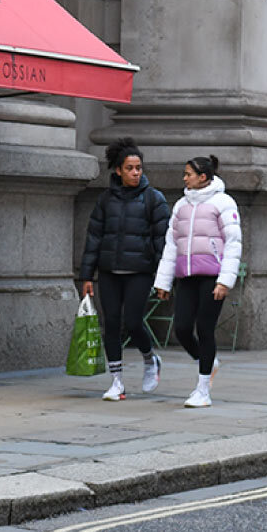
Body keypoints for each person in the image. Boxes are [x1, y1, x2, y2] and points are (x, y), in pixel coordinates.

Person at [79, 139, 170, 401]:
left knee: (132, 321)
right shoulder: (105, 200)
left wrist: (164, 279)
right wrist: (87, 275)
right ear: (118, 170)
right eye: (130, 168)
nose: (135, 173)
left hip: (140, 271)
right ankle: (117, 381)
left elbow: (162, 241)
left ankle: (150, 359)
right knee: (112, 324)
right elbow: (94, 237)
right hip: (109, 271)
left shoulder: (154, 199)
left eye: (138, 168)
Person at [151, 155, 242, 408]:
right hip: (186, 276)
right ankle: (208, 362)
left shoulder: (223, 202)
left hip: (212, 277)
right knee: (181, 328)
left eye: (188, 174)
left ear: (203, 176)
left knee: (204, 329)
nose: (184, 178)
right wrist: (163, 282)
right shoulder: (181, 205)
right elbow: (172, 245)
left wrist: (225, 281)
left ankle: (203, 389)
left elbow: (233, 243)